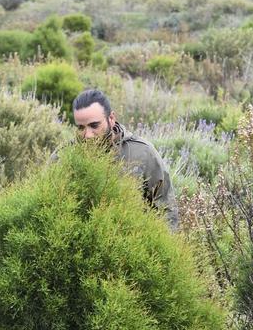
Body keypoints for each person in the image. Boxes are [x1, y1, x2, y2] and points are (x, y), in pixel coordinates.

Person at [68, 89, 179, 228]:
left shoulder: (143, 153)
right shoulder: (64, 155)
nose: (88, 135)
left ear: (111, 118)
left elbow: (166, 211)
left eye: (94, 125)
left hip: (133, 243)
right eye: (80, 127)